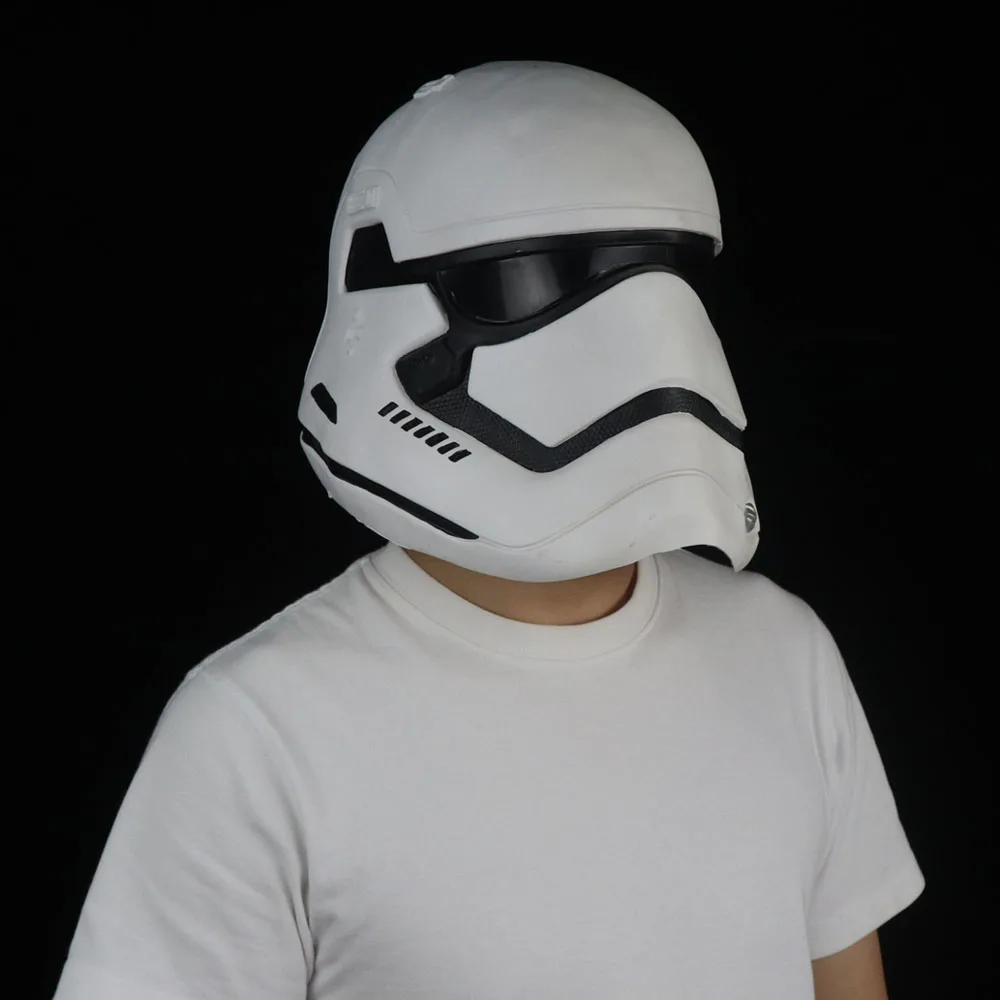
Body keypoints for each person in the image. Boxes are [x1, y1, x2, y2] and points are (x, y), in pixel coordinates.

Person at [53, 62, 924, 999]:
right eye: (528, 278)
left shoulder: (783, 653)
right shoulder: (256, 731)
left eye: (662, 274)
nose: (644, 339)